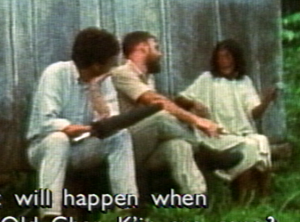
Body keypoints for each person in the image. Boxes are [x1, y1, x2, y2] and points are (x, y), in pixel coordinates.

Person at [26, 28, 138, 220]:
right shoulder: (55, 74)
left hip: (81, 148)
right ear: (96, 65)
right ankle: (50, 216)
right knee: (58, 139)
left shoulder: (104, 80)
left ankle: (126, 211)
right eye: (111, 61)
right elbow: (47, 122)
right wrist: (79, 129)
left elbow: (109, 119)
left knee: (121, 135)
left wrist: (94, 90)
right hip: (44, 149)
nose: (114, 66)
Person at [111, 31, 227, 196]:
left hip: (147, 146)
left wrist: (191, 112)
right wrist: (196, 121)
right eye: (156, 48)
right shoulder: (122, 73)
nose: (161, 54)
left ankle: (197, 200)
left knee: (179, 146)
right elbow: (156, 103)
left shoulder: (148, 78)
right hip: (125, 147)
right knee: (160, 118)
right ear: (142, 48)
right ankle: (203, 150)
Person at [176, 39, 276, 201]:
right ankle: (241, 197)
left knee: (261, 141)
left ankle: (263, 196)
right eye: (219, 57)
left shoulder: (244, 82)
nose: (223, 60)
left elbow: (254, 113)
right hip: (216, 135)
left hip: (240, 133)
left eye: (227, 56)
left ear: (235, 58)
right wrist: (193, 103)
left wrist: (266, 100)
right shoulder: (207, 79)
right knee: (250, 148)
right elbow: (180, 99)